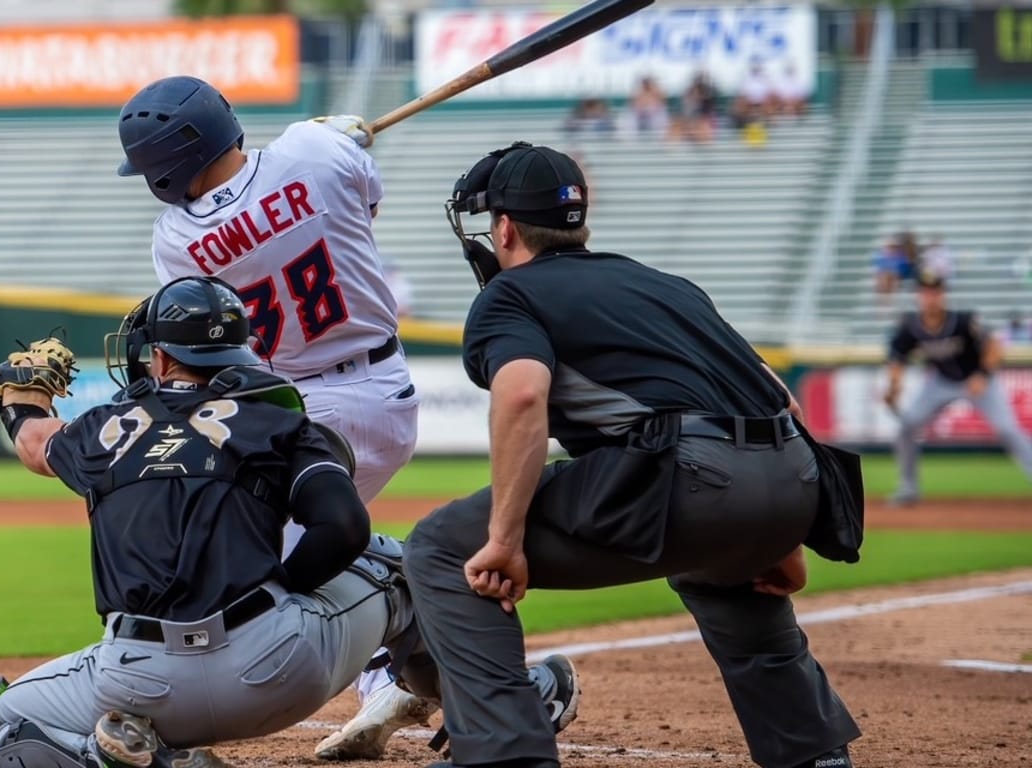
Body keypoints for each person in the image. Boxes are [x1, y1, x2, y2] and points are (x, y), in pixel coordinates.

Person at [0, 277, 582, 768]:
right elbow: (343, 528)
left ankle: (126, 755)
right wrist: (285, 589)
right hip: (276, 669)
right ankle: (506, 704)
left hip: (134, 678)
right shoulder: (281, 421)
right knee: (405, 566)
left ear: (162, 361)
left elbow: (33, 443)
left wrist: (19, 393)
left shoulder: (105, 429)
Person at [405, 141, 864, 768]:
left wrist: (505, 539)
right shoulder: (668, 286)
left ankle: (506, 754)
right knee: (719, 568)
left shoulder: (509, 297)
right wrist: (777, 540)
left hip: (691, 479)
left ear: (505, 229)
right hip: (796, 478)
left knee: (439, 545)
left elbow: (520, 397)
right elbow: (777, 400)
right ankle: (814, 753)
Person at [114, 75, 452, 761]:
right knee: (294, 556)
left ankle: (472, 674)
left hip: (291, 415)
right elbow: (365, 205)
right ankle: (408, 669)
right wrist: (336, 138)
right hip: (381, 388)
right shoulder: (313, 150)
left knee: (248, 574)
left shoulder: (177, 238)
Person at [883, 273, 1032, 504]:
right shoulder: (910, 326)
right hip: (941, 382)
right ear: (918, 295)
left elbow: (994, 346)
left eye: (935, 292)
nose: (930, 297)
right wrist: (893, 387)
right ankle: (908, 488)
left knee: (1007, 428)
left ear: (943, 295)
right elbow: (897, 359)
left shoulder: (962, 320)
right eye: (925, 292)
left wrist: (983, 375)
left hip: (977, 380)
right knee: (908, 424)